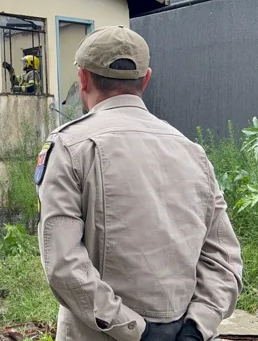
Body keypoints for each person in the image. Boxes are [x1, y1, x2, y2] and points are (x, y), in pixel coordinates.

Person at [34, 26, 243, 341]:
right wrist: (197, 327)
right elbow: (223, 258)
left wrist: (137, 331)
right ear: (146, 80)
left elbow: (63, 264)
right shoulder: (192, 151)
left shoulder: (70, 146)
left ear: (83, 79)